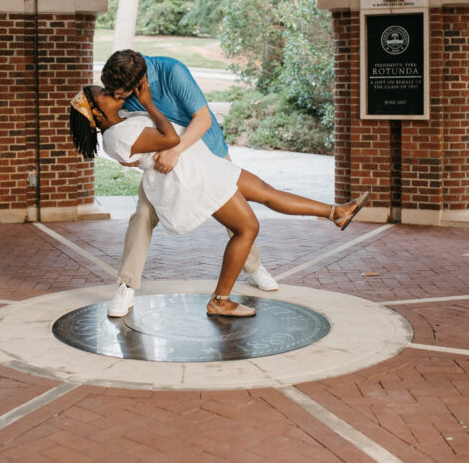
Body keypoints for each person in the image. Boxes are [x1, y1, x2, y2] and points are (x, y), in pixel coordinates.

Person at [69, 81, 370, 317]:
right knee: (247, 228)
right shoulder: (115, 137)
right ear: (96, 113)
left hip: (205, 164)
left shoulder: (125, 119)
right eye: (103, 94)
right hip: (193, 179)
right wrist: (148, 102)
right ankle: (220, 301)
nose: (110, 92)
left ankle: (337, 213)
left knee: (266, 192)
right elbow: (171, 140)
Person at [100, 50, 275, 317]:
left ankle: (253, 266)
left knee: (238, 215)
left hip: (206, 149)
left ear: (140, 82)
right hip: (163, 163)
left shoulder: (173, 71)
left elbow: (203, 118)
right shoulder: (120, 81)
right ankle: (127, 285)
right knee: (143, 215)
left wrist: (176, 150)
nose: (116, 98)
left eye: (121, 94)